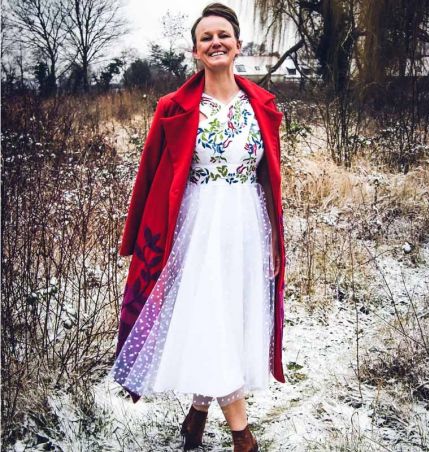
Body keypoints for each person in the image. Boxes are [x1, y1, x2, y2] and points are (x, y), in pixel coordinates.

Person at [108, 3, 286, 451]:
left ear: (238, 44)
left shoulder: (260, 105)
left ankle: (197, 415)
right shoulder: (175, 107)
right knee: (212, 317)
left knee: (227, 318)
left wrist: (272, 238)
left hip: (247, 224)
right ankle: (243, 436)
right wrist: (136, 238)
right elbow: (149, 173)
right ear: (195, 51)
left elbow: (270, 177)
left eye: (223, 34)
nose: (216, 42)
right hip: (197, 226)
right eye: (206, 37)